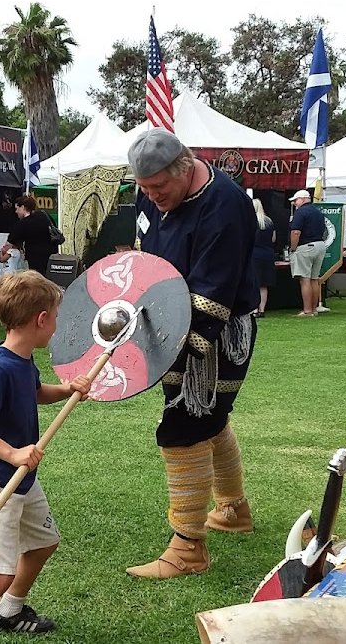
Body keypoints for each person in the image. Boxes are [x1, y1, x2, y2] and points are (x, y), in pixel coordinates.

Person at [125, 128, 258, 580]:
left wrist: (170, 352)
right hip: (167, 323)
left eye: (159, 187)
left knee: (185, 423)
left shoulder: (226, 203)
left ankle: (188, 548)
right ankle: (234, 509)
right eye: (144, 188)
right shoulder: (150, 198)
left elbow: (212, 291)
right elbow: (146, 262)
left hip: (215, 333)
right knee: (211, 421)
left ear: (185, 169)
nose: (152, 196)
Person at [0, 271, 90, 644]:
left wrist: (66, 390)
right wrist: (12, 452)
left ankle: (8, 613)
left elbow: (34, 391)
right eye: (55, 318)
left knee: (44, 542)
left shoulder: (23, 359)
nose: (56, 326)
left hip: (21, 480)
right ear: (41, 319)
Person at [289, 190, 326, 317]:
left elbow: (295, 232)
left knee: (305, 280)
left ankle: (307, 310)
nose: (294, 203)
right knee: (314, 279)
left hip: (306, 246)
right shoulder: (318, 212)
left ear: (303, 199)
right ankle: (314, 309)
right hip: (320, 245)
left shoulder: (301, 212)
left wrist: (293, 248)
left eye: (296, 200)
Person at [1, 195, 56, 276]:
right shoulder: (44, 215)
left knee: (37, 281)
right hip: (51, 256)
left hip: (35, 260)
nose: (16, 212)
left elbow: (8, 245)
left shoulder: (22, 224)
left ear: (23, 207)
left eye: (17, 209)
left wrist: (3, 251)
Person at [252, 198, 276, 316]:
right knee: (264, 284)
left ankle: (254, 309)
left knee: (254, 282)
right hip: (268, 254)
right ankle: (262, 309)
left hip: (254, 254)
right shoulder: (269, 221)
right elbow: (273, 239)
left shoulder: (250, 221)